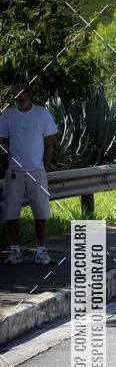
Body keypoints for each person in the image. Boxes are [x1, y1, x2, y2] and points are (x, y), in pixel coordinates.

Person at [0, 77, 58, 265]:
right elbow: (2, 144)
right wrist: (7, 167)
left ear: (29, 93)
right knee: (11, 213)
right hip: (14, 172)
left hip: (37, 171)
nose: (19, 95)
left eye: (22, 91)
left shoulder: (42, 114)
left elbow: (49, 142)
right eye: (15, 92)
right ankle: (15, 251)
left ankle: (41, 250)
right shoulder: (7, 116)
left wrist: (45, 166)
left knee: (41, 213)